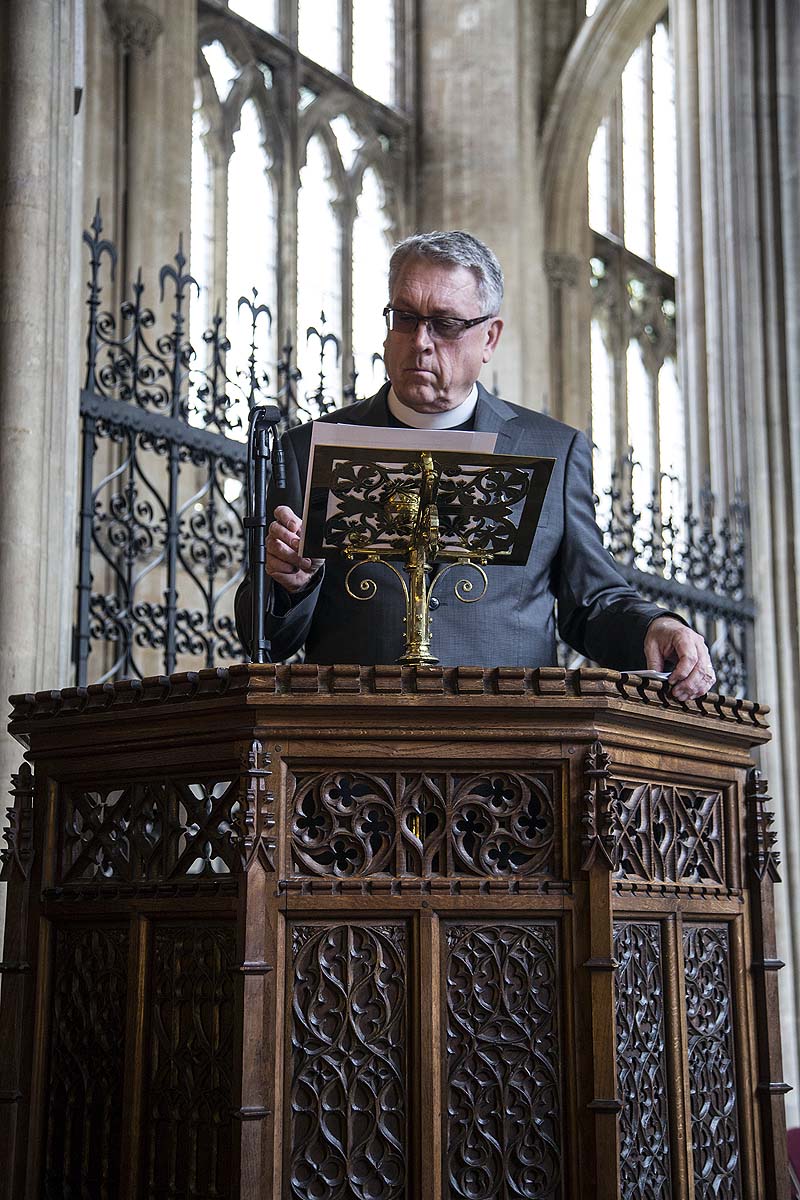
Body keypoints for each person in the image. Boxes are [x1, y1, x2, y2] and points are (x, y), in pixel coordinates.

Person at [236, 230, 715, 701]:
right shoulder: (308, 448)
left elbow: (590, 602)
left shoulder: (554, 449)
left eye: (445, 323)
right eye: (405, 317)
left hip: (510, 753)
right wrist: (289, 586)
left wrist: (658, 625)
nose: (420, 341)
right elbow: (267, 639)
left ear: (490, 337)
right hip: (356, 748)